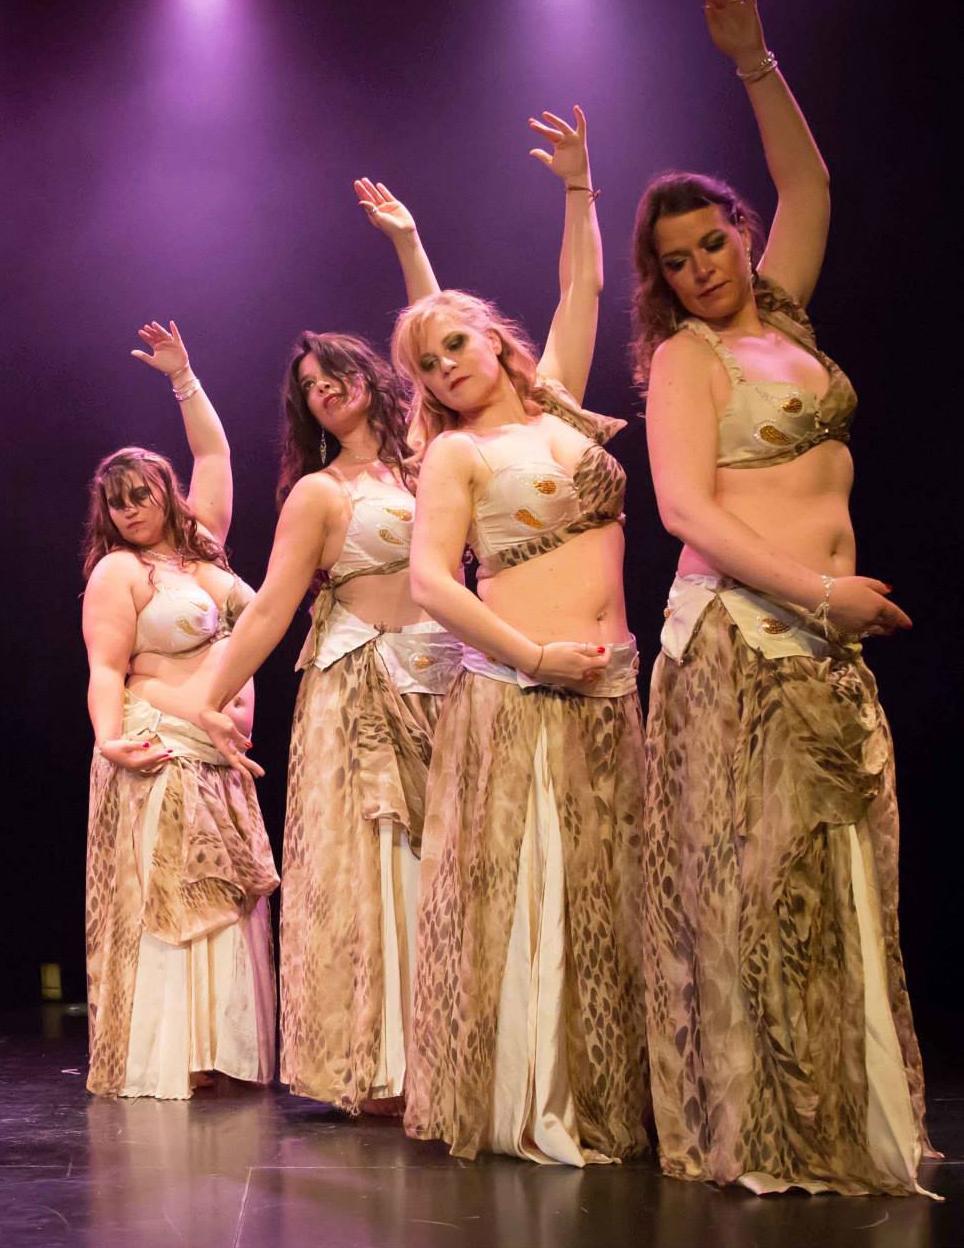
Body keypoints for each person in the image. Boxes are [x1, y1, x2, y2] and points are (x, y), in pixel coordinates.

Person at [636, 0, 935, 1197]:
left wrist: (751, 61)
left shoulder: (788, 326)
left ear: (741, 236)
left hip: (822, 642)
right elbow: (683, 511)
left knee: (835, 880)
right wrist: (818, 596)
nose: (701, 267)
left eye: (712, 242)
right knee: (754, 890)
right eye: (676, 260)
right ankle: (766, 1129)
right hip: (741, 639)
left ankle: (842, 1117)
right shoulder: (685, 359)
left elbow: (809, 184)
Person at [393, 108, 653, 1163]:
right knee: (531, 895)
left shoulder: (561, 415)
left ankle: (597, 1094)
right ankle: (526, 1100)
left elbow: (581, 290)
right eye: (426, 364)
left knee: (600, 896)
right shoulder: (454, 457)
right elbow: (427, 581)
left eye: (455, 344)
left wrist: (580, 187)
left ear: (495, 340)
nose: (445, 367)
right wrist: (533, 655)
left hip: (610, 685)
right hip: (524, 688)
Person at [193, 319, 461, 1116]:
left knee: (447, 865)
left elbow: (437, 324)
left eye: (332, 374)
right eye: (308, 387)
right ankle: (385, 1068)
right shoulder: (321, 492)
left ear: (372, 376)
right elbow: (271, 609)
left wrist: (409, 255)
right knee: (379, 870)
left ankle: (455, 1054)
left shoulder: (431, 462)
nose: (322, 390)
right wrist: (210, 698)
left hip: (447, 685)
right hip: (360, 691)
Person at [80, 322, 278, 1099]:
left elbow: (216, 456)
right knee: (171, 897)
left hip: (218, 756)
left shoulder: (204, 552)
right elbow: (106, 669)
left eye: (142, 494)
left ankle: (222, 1050)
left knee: (223, 899)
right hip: (161, 746)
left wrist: (183, 379)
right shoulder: (119, 573)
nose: (130, 509)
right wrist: (109, 738)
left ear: (167, 494)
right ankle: (174, 1054)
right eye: (117, 501)